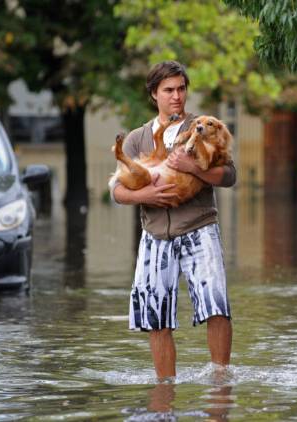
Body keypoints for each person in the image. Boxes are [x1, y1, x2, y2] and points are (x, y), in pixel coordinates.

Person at [110, 60, 235, 380]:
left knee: (216, 307)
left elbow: (229, 175)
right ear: (154, 94)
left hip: (200, 228)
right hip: (154, 236)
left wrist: (195, 169)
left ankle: (221, 385)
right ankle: (165, 390)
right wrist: (143, 197)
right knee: (156, 318)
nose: (177, 96)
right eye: (168, 90)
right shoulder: (138, 138)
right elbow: (117, 190)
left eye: (181, 89)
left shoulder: (205, 126)